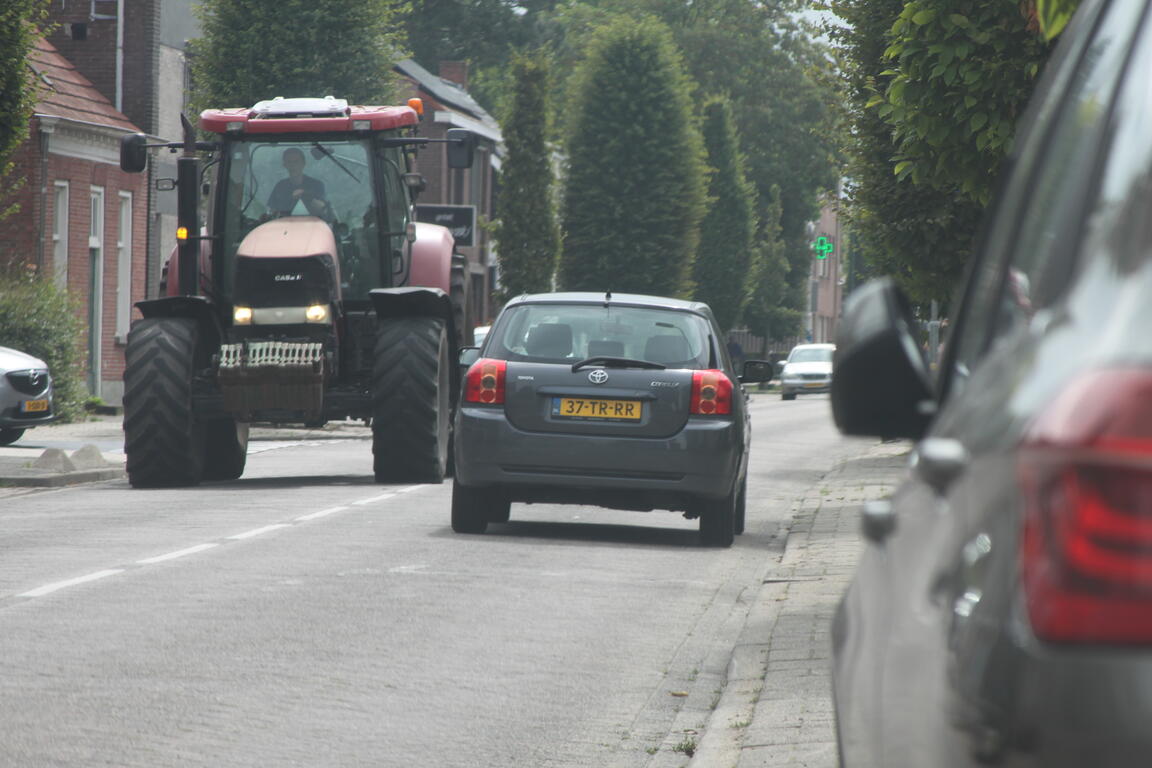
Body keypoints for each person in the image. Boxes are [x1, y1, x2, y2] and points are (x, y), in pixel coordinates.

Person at [267, 147, 328, 217]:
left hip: (314, 226)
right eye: (289, 162)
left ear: (303, 163)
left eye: (296, 161)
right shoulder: (280, 187)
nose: (293, 165)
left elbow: (323, 209)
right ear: (285, 165)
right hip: (284, 226)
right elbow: (271, 211)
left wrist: (306, 195)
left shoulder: (317, 185)